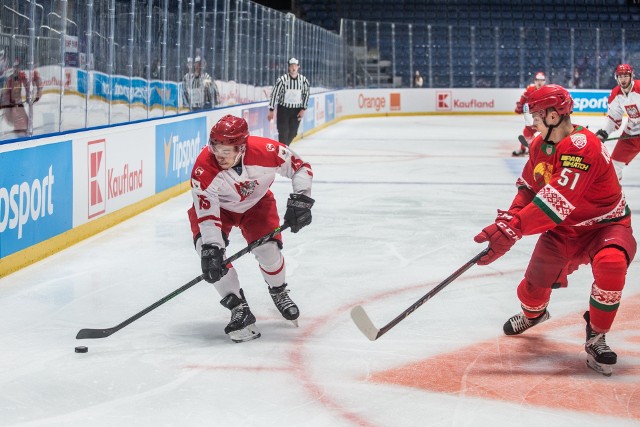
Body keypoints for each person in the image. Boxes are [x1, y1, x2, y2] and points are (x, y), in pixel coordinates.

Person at [474, 84, 636, 377]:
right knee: (531, 290)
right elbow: (528, 187)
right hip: (563, 231)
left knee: (611, 264)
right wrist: (509, 219)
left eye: (536, 114)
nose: (532, 120)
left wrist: (513, 230)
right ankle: (534, 315)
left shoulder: (581, 146)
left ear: (553, 115)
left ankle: (597, 335)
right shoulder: (539, 145)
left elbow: (556, 203)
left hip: (606, 226)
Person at [187, 114, 314, 343]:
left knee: (268, 252)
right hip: (219, 210)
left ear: (242, 148)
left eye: (228, 151)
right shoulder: (203, 169)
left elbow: (300, 166)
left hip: (256, 204)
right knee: (208, 256)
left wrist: (301, 199)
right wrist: (213, 249)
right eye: (216, 148)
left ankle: (278, 291)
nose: (220, 156)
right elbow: (207, 215)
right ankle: (238, 307)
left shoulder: (265, 150)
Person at [595, 63, 640, 180]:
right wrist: (603, 133)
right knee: (613, 168)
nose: (623, 79)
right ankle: (615, 197)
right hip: (631, 136)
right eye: (620, 76)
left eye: (625, 76)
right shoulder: (616, 95)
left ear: (631, 76)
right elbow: (614, 118)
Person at [268, 57, 310, 146]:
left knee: (293, 132)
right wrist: (271, 109)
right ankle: (282, 154)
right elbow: (275, 94)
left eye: (295, 66)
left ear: (298, 67)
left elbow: (306, 95)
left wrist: (303, 109)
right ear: (288, 67)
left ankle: (283, 149)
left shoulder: (303, 80)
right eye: (291, 66)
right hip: (283, 110)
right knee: (283, 132)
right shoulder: (282, 80)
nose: (293, 68)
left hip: (296, 110)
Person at [0, 59, 42, 136]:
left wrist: (30, 96)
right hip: (13, 105)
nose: (16, 69)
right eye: (15, 67)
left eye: (18, 67)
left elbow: (28, 86)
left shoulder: (21, 76)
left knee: (24, 121)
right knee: (20, 121)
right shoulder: (10, 78)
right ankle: (21, 134)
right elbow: (6, 92)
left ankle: (24, 133)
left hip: (17, 105)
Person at [513, 71, 546, 156]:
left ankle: (532, 148)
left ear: (544, 81)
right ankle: (525, 148)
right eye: (538, 80)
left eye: (541, 80)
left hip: (544, 116)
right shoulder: (530, 89)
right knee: (528, 131)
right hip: (534, 115)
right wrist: (519, 107)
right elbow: (523, 99)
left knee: (531, 131)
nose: (539, 82)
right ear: (535, 80)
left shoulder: (547, 90)